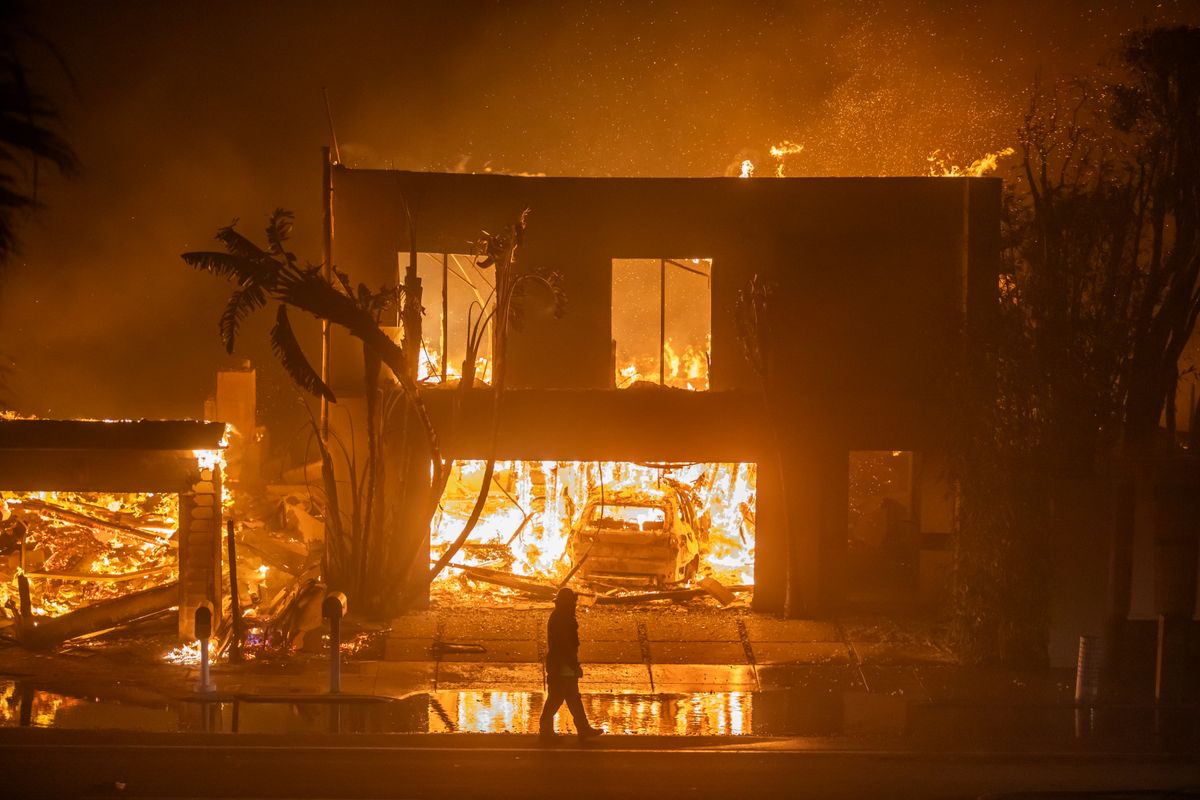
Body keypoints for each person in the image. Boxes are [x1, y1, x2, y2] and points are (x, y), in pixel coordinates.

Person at [539, 587, 603, 742]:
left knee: (573, 697)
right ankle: (546, 729)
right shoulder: (563, 619)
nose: (574, 606)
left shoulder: (560, 617)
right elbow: (565, 646)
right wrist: (574, 666)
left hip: (562, 664)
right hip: (562, 666)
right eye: (572, 603)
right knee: (556, 698)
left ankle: (583, 728)